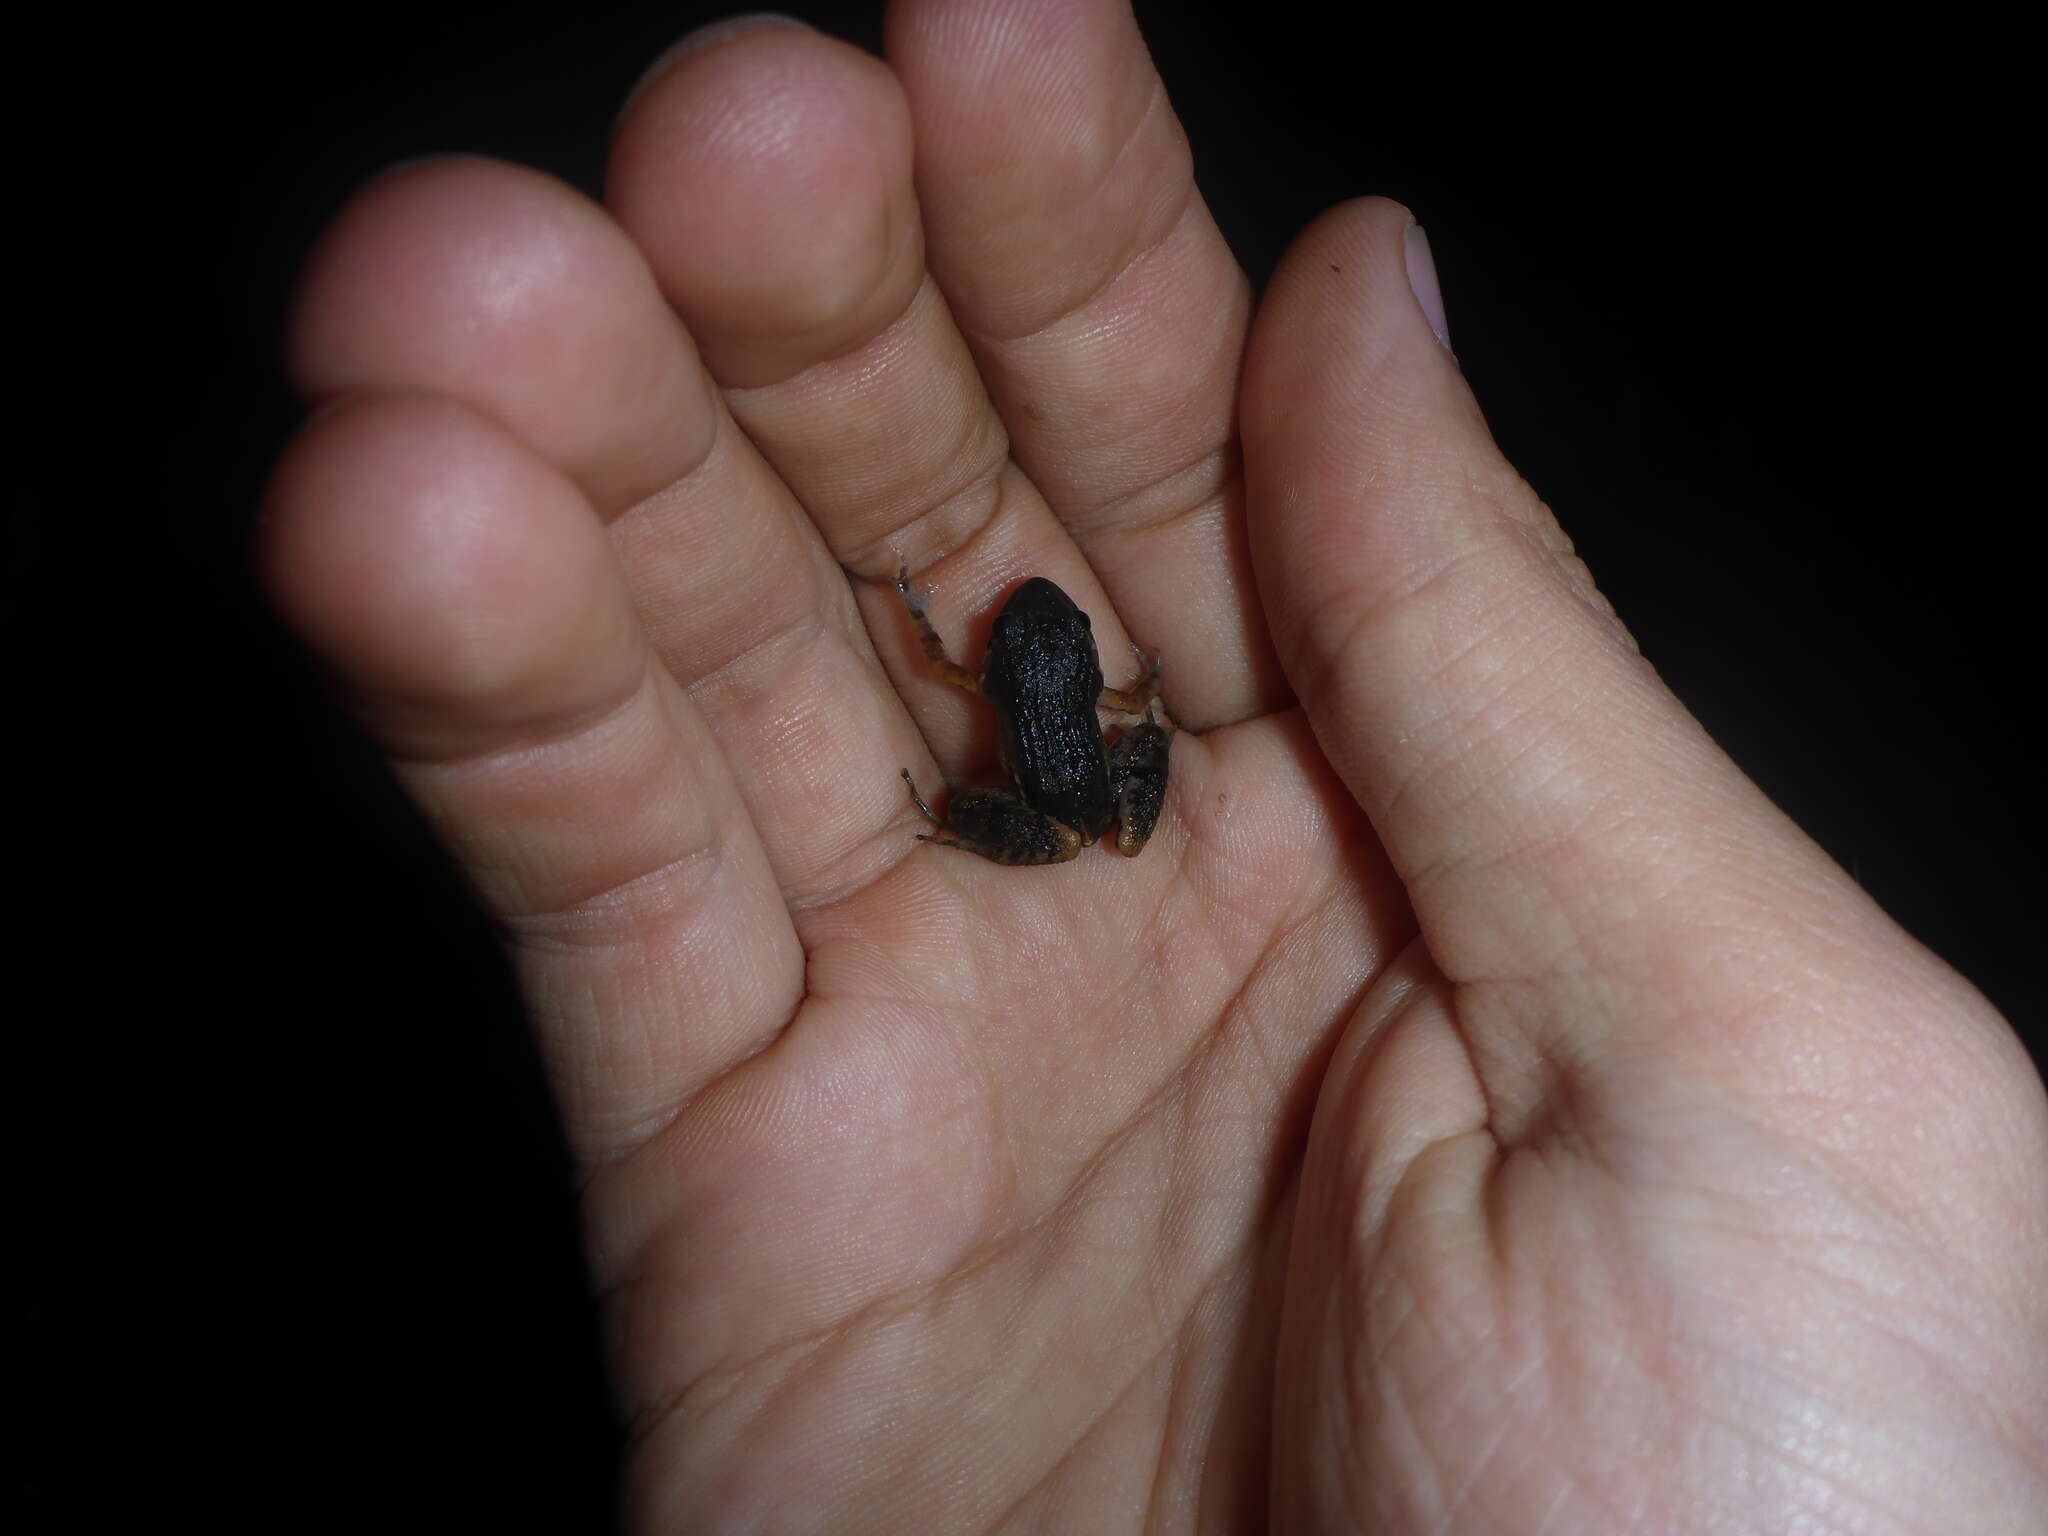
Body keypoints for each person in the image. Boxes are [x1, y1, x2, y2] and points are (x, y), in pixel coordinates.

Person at [258, 4, 2048, 1529]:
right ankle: (981, 812)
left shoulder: (1012, 658)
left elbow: (965, 645)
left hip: (1051, 731)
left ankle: (974, 815)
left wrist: (989, 692)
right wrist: (1057, 733)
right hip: (1057, 741)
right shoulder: (1039, 684)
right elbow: (981, 655)